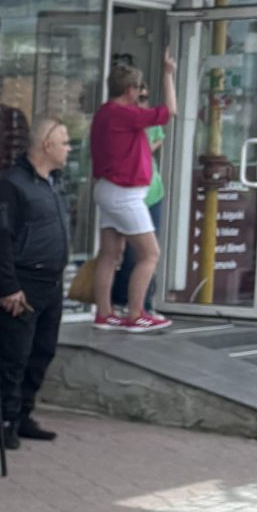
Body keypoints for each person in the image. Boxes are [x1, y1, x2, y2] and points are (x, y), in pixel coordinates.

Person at [0, 116, 73, 446]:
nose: (69, 149)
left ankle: (23, 415)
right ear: (47, 146)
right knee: (13, 355)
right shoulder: (12, 186)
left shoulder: (54, 183)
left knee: (42, 351)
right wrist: (8, 286)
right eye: (65, 142)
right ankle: (5, 420)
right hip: (23, 283)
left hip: (52, 283)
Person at [89, 51, 176, 330]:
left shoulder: (105, 112)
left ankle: (104, 312)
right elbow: (168, 112)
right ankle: (136, 314)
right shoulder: (124, 114)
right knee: (150, 254)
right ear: (129, 90)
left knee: (110, 253)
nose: (140, 95)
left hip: (107, 188)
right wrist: (168, 75)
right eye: (139, 90)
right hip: (125, 193)